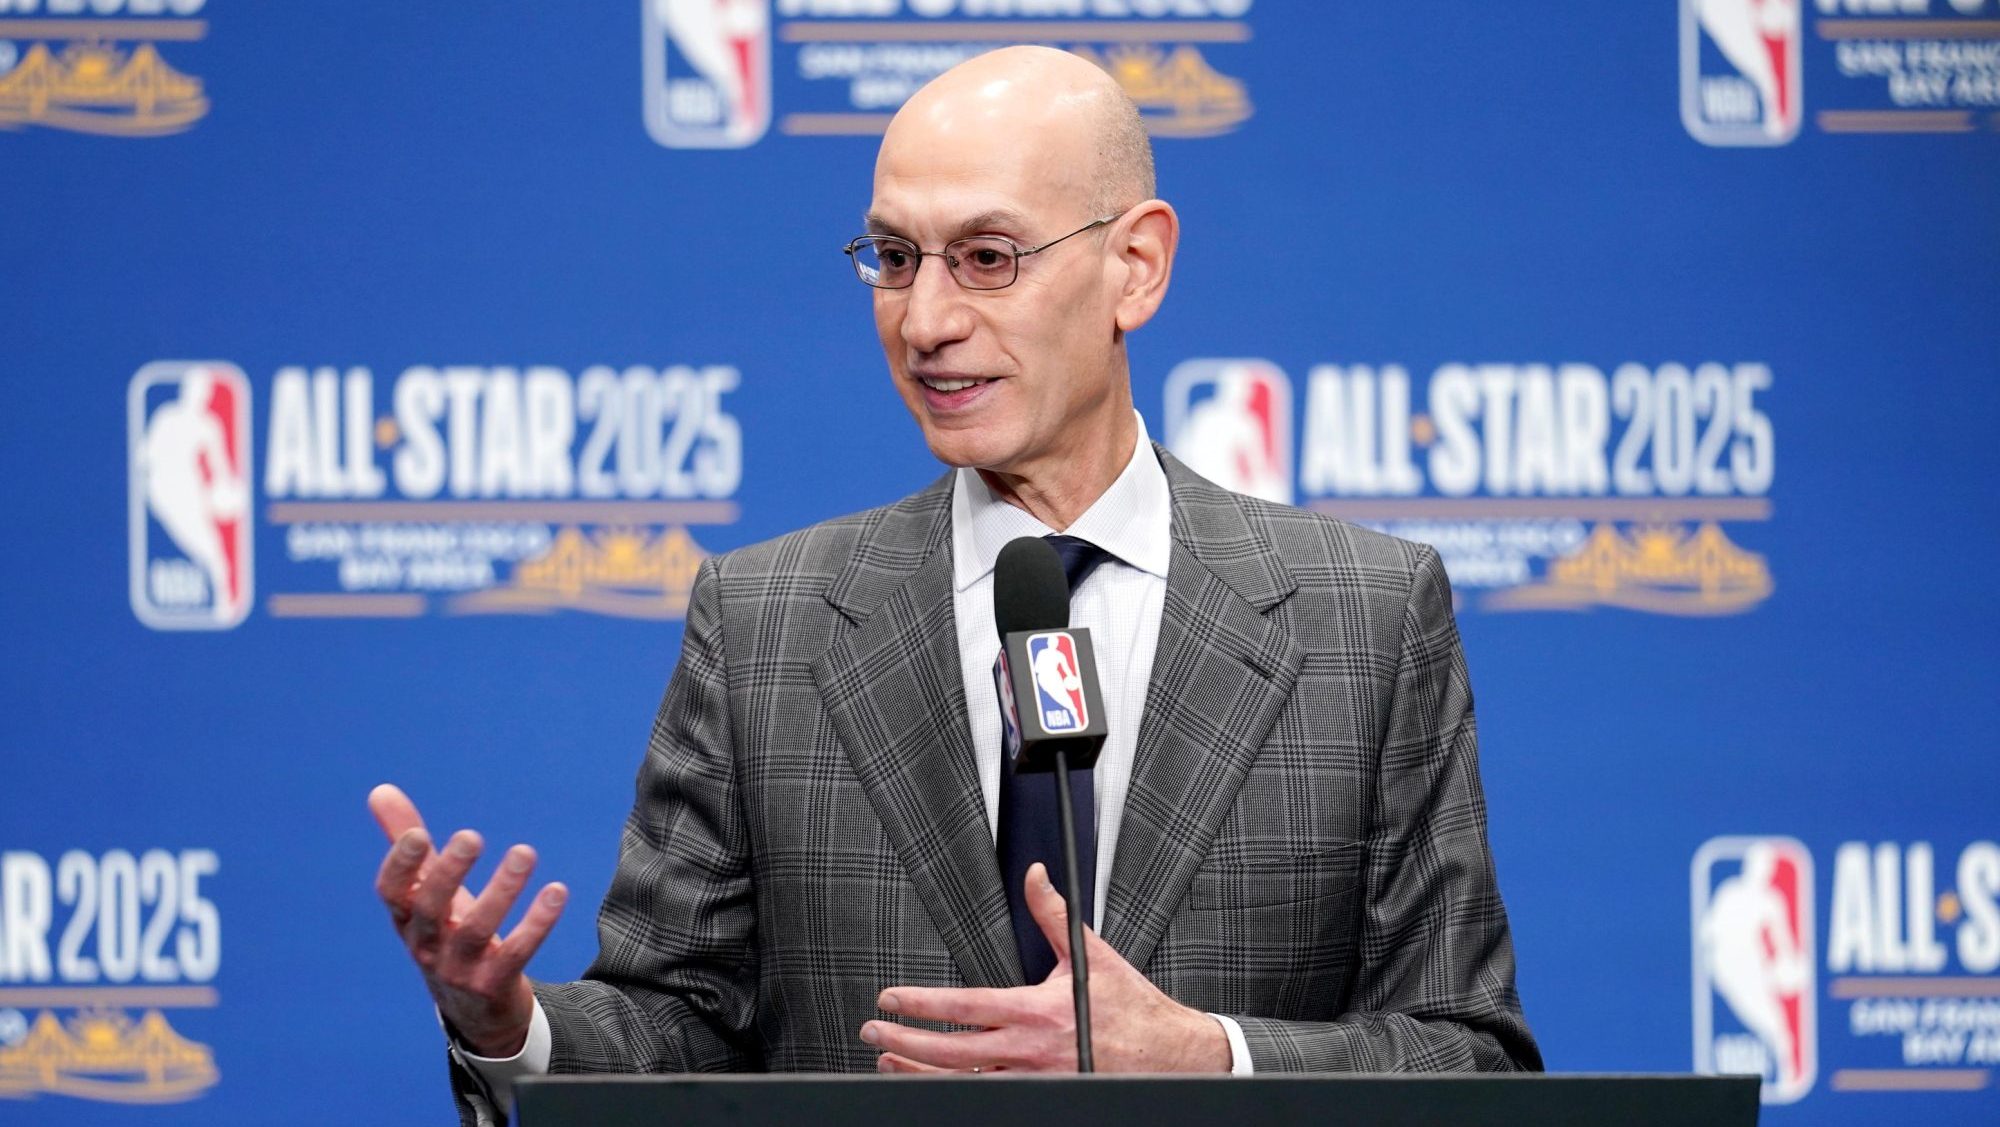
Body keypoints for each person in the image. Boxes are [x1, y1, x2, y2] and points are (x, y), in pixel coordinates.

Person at [371, 45, 1540, 1126]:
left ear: (1134, 265)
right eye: (892, 257)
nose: (926, 320)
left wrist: (1208, 1054)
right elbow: (679, 1027)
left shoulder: (1366, 616)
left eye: (988, 257)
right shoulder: (763, 620)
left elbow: (1467, 1055)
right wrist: (509, 1028)